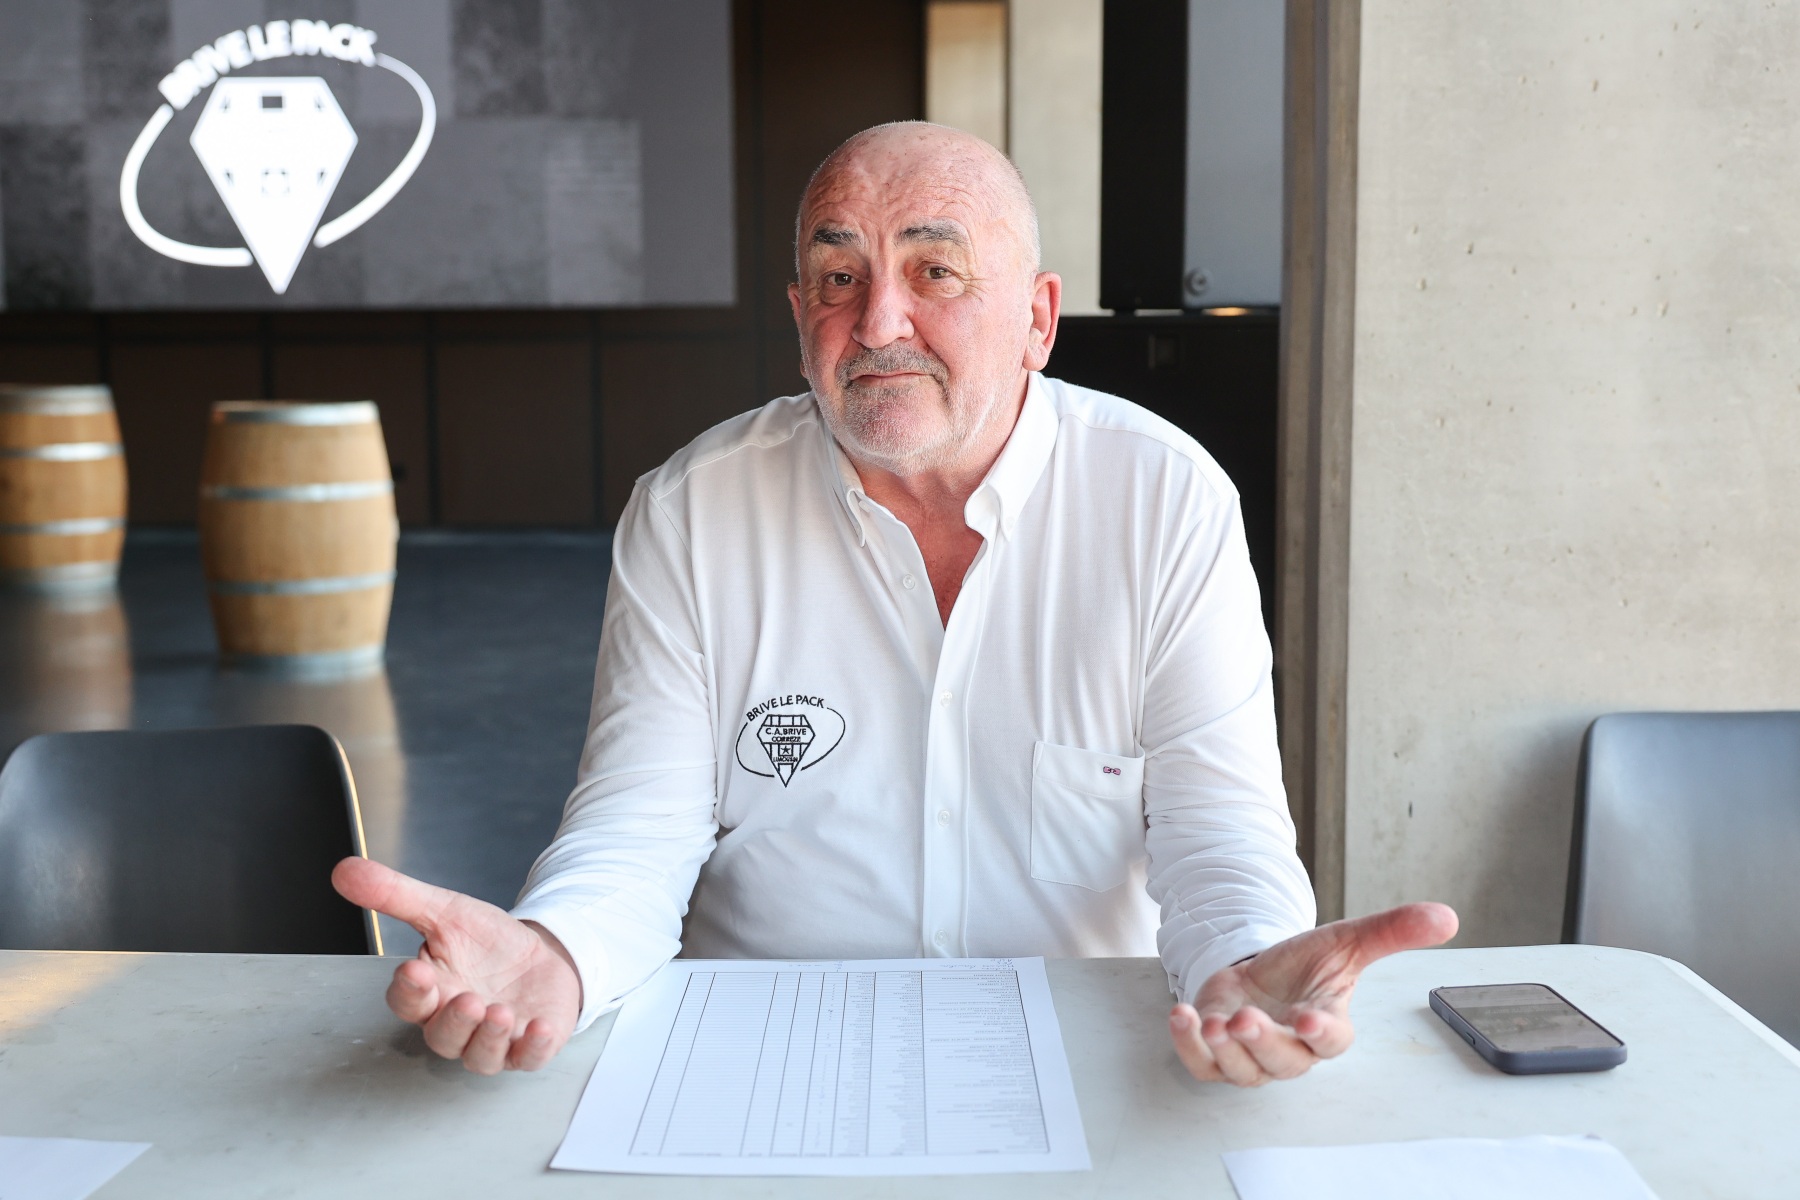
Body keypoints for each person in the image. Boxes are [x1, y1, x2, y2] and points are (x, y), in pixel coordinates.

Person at [333, 122, 1456, 1088]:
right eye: (838, 278)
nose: (876, 323)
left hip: (1081, 1059)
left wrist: (1247, 966)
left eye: (936, 272)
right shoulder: (692, 511)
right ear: (799, 315)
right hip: (763, 1057)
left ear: (1038, 318)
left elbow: (1220, 832)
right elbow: (638, 827)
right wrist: (557, 953)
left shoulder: (1163, 499)